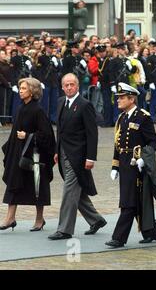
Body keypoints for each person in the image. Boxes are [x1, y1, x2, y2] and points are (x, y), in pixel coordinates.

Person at [48, 73, 107, 240]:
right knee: (75, 190)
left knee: (69, 190)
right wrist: (57, 151)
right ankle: (96, 220)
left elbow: (92, 133)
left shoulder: (84, 105)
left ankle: (64, 229)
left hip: (79, 156)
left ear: (77, 85)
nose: (68, 88)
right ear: (61, 87)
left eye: (72, 84)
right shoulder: (60, 102)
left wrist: (91, 157)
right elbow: (60, 129)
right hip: (64, 152)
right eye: (66, 85)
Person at [106, 83, 156, 248]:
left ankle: (119, 237)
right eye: (118, 98)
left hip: (137, 164)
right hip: (124, 164)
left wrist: (144, 157)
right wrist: (115, 166)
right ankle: (151, 232)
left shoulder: (142, 117)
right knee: (138, 199)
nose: (118, 101)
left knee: (128, 202)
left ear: (132, 99)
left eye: (122, 98)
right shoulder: (121, 118)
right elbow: (118, 145)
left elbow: (153, 141)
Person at [1, 78, 55, 232]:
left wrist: (28, 136)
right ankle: (10, 218)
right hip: (18, 154)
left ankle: (39, 219)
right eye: (20, 87)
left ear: (32, 91)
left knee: (38, 186)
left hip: (34, 157)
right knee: (13, 184)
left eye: (24, 88)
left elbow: (47, 135)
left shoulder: (38, 110)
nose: (21, 90)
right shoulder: (20, 108)